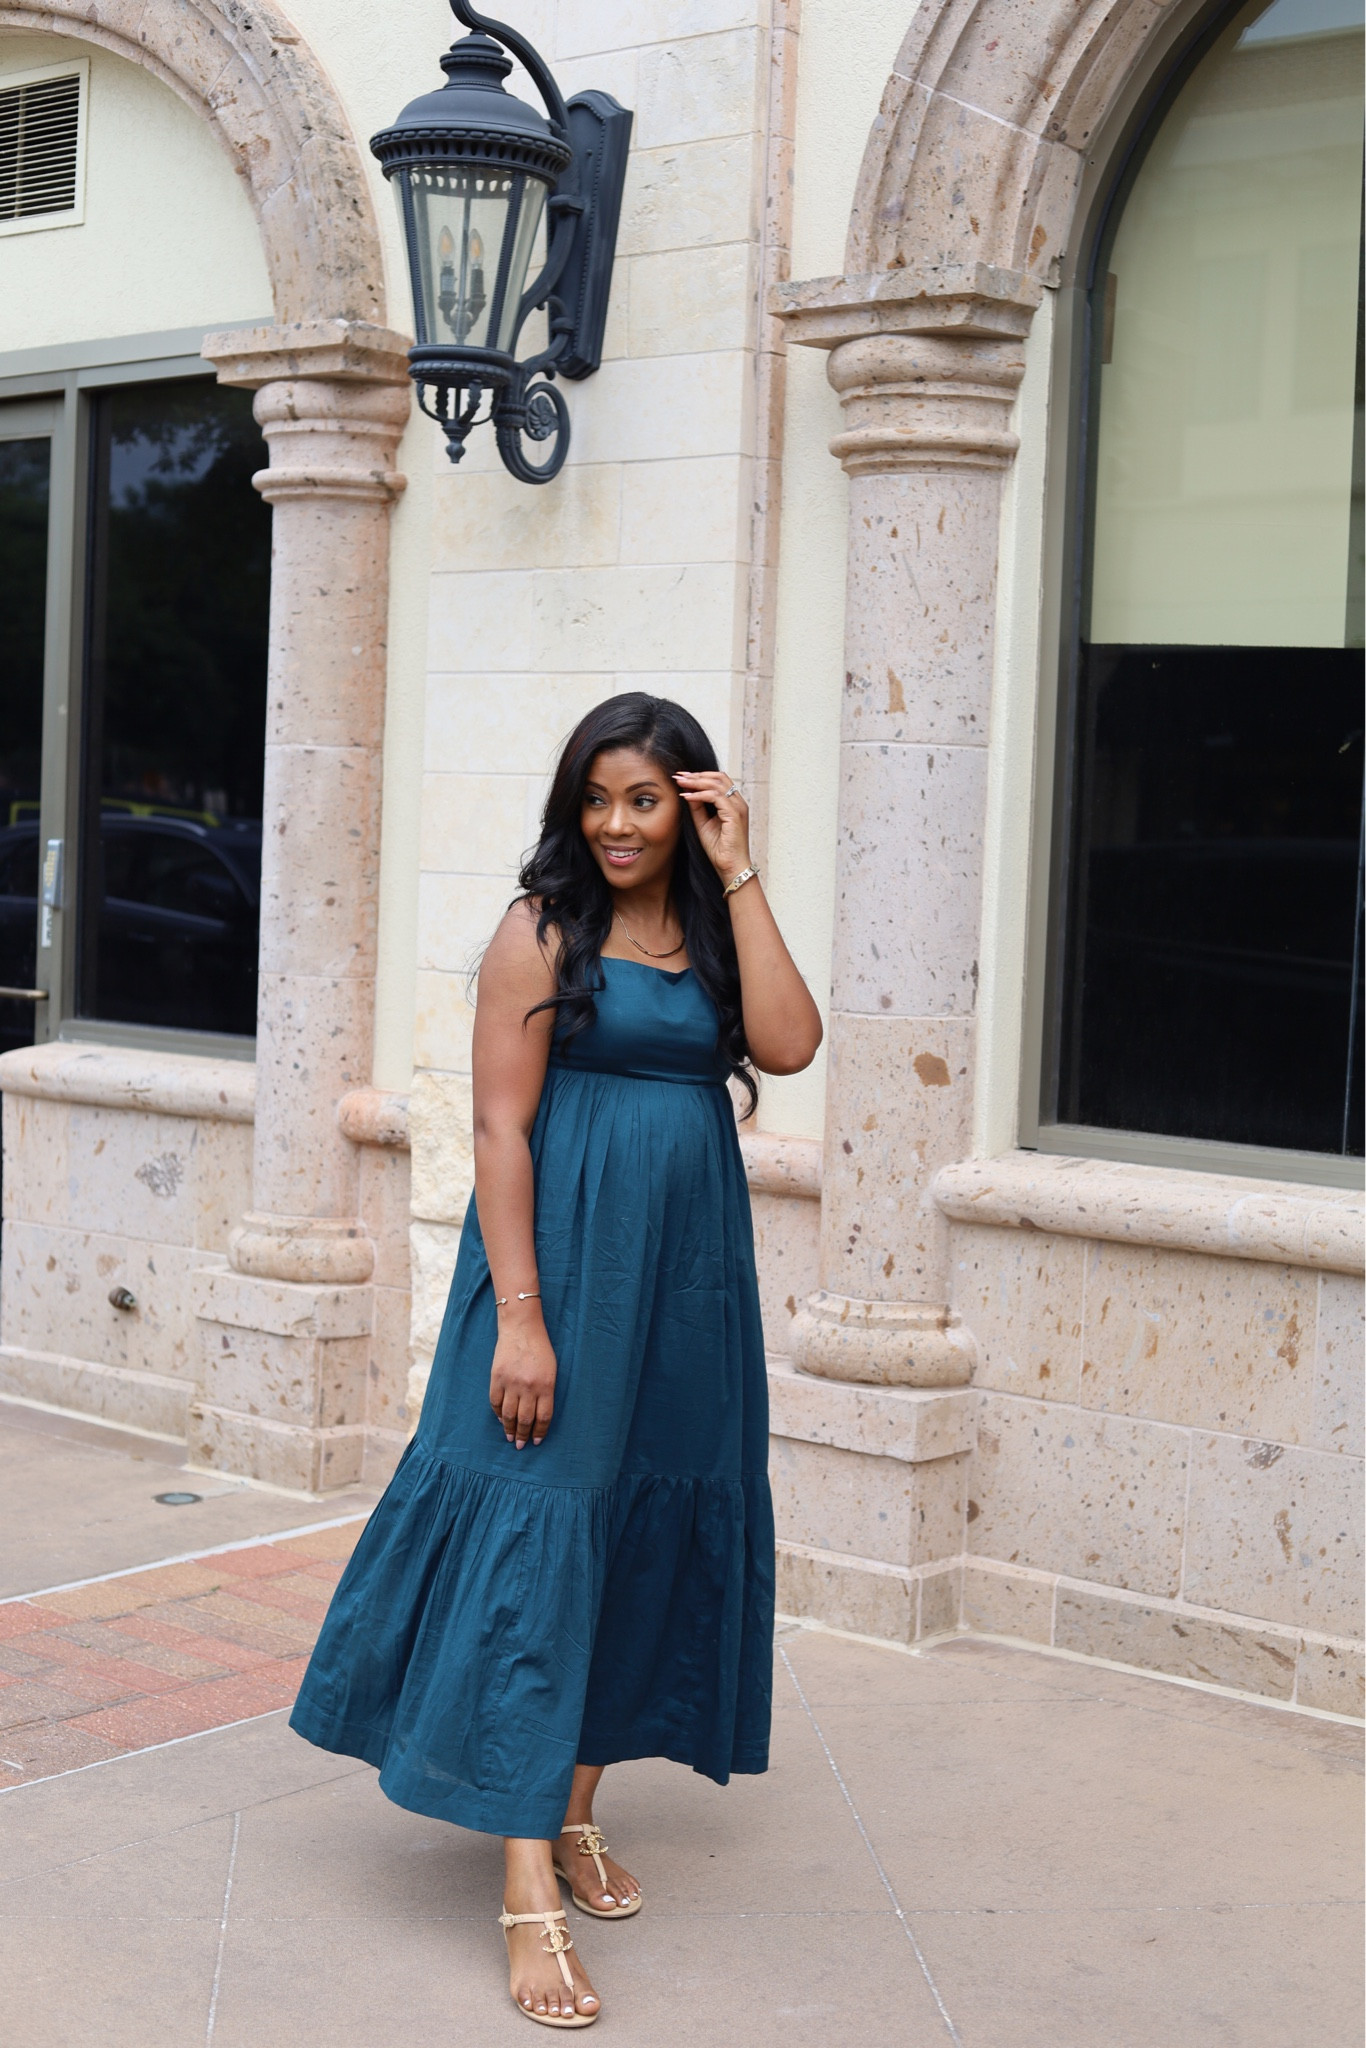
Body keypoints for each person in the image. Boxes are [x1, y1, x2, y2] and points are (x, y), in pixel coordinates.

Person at [290, 693, 822, 2027]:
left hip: (687, 1289)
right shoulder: (538, 932)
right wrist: (520, 1318)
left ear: (683, 803)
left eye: (643, 799)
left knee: (639, 1536)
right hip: (564, 1274)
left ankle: (574, 1810)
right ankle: (526, 1882)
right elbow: (498, 1133)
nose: (616, 825)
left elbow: (791, 1045)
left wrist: (737, 863)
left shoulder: (706, 928)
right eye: (597, 798)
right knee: (538, 1544)